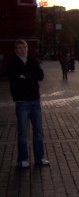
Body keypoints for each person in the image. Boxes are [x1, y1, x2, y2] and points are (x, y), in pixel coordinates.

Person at [7, 39, 49, 168]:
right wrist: (30, 78)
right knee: (23, 132)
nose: (22, 50)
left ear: (27, 48)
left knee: (38, 131)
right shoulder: (12, 63)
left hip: (35, 101)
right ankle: (22, 160)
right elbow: (14, 81)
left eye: (24, 47)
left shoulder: (32, 61)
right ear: (16, 50)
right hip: (22, 102)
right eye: (19, 48)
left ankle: (40, 158)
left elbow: (40, 76)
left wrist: (25, 77)